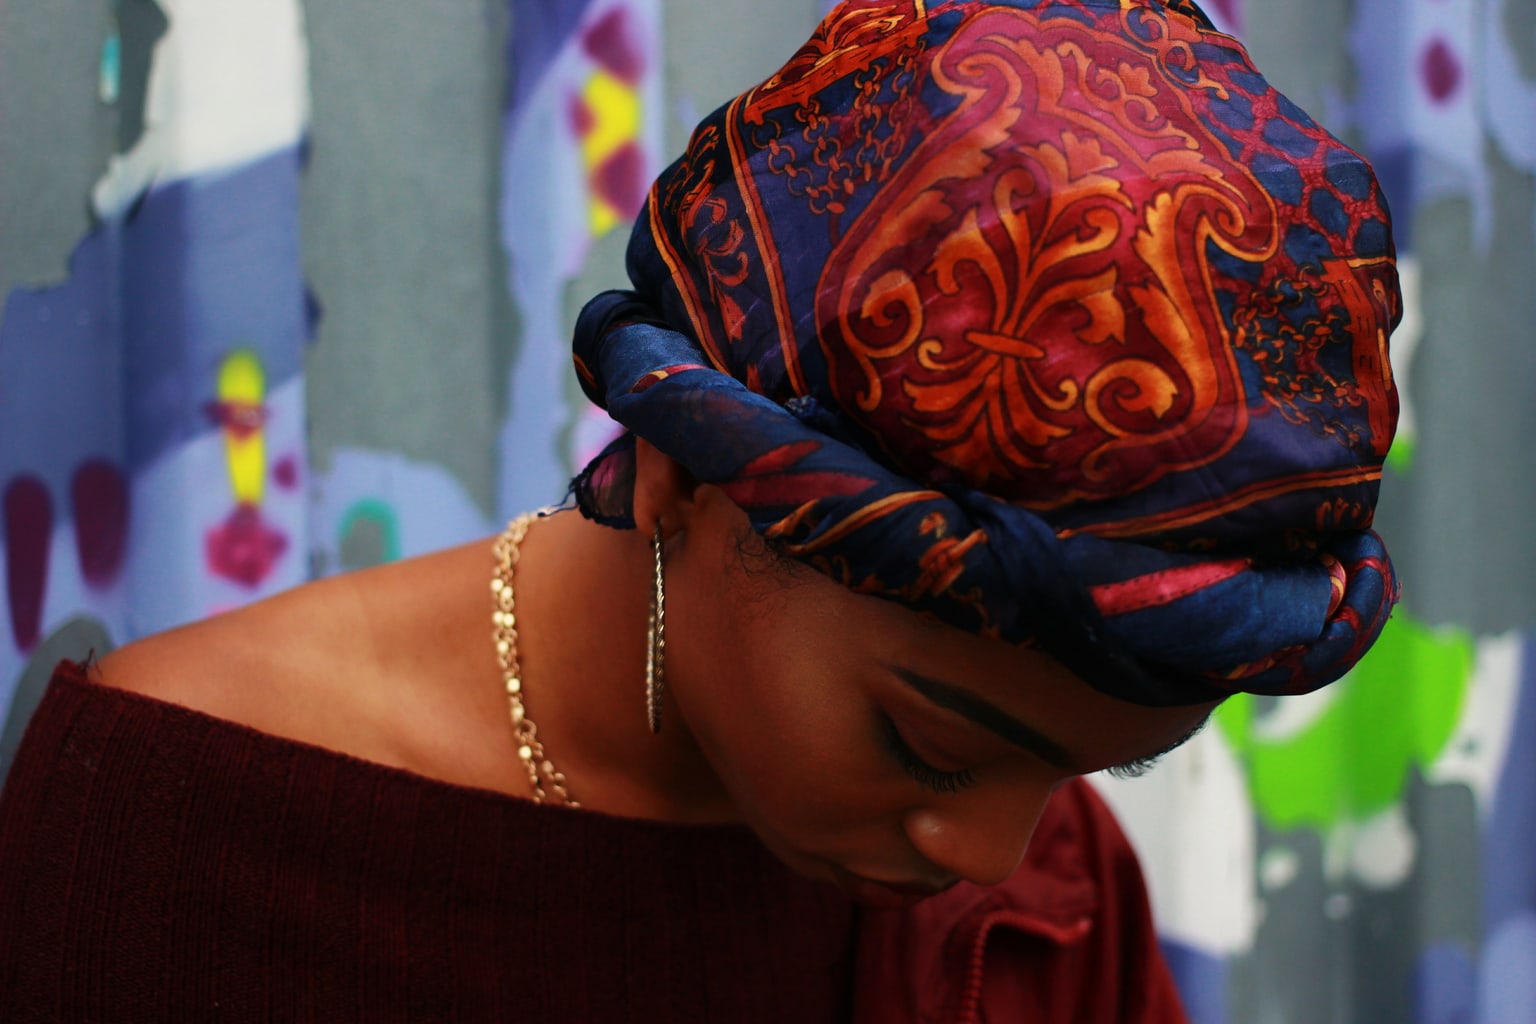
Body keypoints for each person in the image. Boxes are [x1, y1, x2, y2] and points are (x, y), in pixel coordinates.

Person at [0, 0, 1400, 1020]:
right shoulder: (173, 830)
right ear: (677, 471)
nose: (990, 852)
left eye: (1105, 768)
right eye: (924, 745)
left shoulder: (1053, 897)